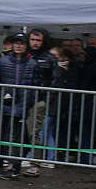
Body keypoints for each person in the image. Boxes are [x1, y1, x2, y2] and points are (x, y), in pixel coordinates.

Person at [0, 32, 41, 178]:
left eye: (22, 43)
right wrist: (0, 97)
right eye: (16, 43)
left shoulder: (32, 64)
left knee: (18, 139)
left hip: (21, 107)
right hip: (2, 106)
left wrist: (28, 102)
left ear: (26, 46)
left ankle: (15, 167)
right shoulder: (3, 61)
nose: (18, 46)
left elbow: (36, 85)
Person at [23, 28, 58, 170]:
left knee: (35, 131)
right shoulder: (24, 55)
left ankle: (34, 159)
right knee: (22, 130)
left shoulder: (49, 58)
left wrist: (48, 100)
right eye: (32, 39)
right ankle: (24, 155)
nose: (35, 43)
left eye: (38, 40)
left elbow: (55, 81)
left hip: (39, 99)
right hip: (23, 98)